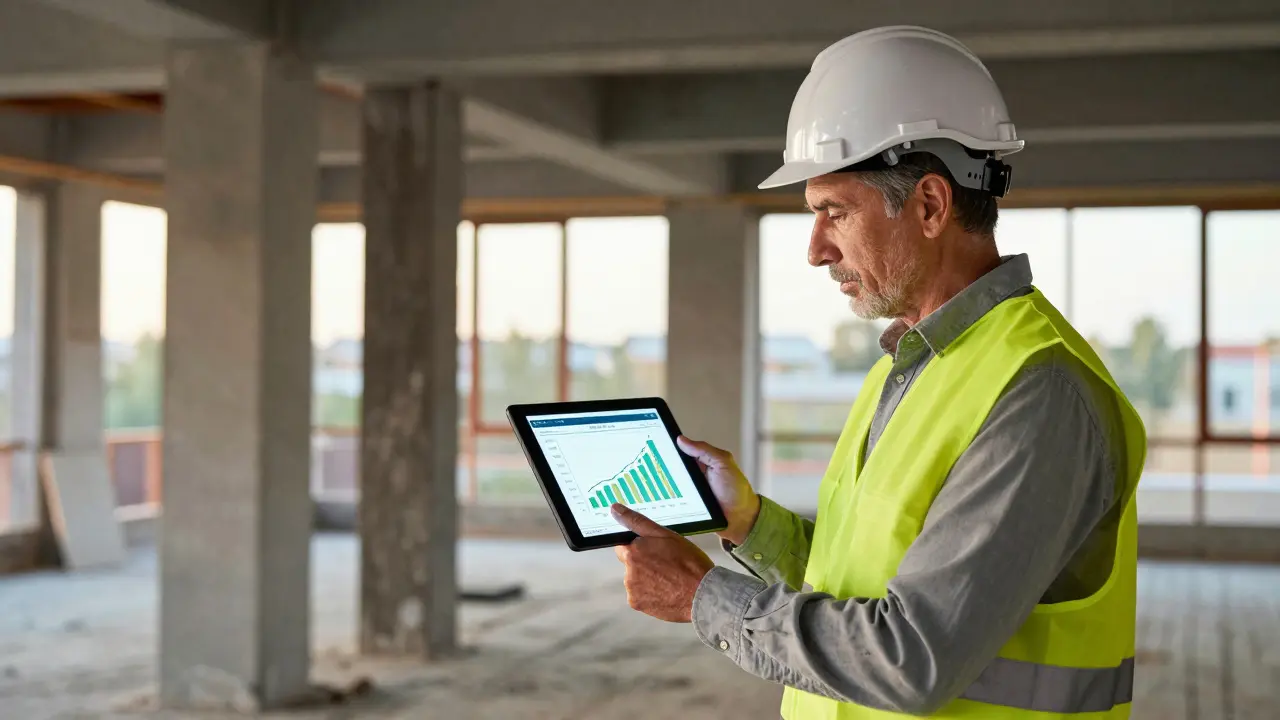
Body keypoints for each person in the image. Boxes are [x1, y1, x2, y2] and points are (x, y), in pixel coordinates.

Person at [610, 25, 1147, 719]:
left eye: (834, 212)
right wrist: (749, 522)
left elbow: (912, 655)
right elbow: (865, 580)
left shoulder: (1038, 393)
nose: (815, 250)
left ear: (929, 205)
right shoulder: (908, 367)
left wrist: (701, 596)